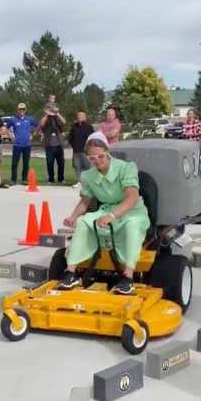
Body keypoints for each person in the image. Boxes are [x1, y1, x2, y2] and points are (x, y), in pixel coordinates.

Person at [58, 132, 150, 295]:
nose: (97, 160)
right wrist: (73, 217)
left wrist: (112, 216)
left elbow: (132, 197)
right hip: (107, 209)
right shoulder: (88, 176)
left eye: (100, 156)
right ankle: (70, 272)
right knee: (84, 222)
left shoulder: (126, 168)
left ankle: (128, 276)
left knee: (132, 225)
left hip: (131, 210)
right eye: (92, 158)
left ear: (107, 151)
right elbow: (85, 201)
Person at [5, 103, 38, 186]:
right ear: (18, 110)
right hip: (17, 145)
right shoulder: (13, 119)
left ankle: (24, 179)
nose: (22, 111)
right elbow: (6, 128)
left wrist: (33, 135)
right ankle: (13, 179)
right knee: (14, 163)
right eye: (20, 109)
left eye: (23, 109)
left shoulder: (30, 119)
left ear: (25, 110)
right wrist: (11, 137)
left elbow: (38, 127)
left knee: (26, 163)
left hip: (27, 145)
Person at [67, 109, 94, 189]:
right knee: (77, 167)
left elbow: (92, 138)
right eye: (79, 115)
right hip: (76, 151)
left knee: (87, 167)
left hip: (85, 151)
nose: (80, 117)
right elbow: (70, 138)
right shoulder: (74, 126)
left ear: (85, 117)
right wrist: (74, 146)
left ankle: (88, 183)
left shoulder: (89, 127)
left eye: (81, 115)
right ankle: (80, 182)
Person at [40, 105, 67, 184]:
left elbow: (64, 122)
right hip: (49, 144)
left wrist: (57, 113)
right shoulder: (46, 119)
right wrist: (47, 114)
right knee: (50, 163)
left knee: (61, 163)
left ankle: (61, 179)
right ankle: (51, 179)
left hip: (59, 144)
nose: (51, 111)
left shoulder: (57, 118)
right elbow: (41, 124)